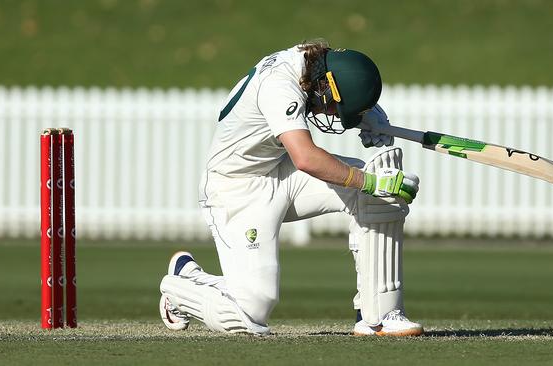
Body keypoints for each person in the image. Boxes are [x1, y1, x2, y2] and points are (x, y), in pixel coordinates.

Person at [159, 40, 423, 336]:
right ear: (325, 85)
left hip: (282, 170)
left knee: (377, 196)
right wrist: (370, 182)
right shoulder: (280, 87)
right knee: (250, 313)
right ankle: (182, 282)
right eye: (336, 107)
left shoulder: (314, 64)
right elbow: (306, 157)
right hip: (236, 189)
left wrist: (369, 114)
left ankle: (379, 315)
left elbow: (341, 77)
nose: (334, 115)